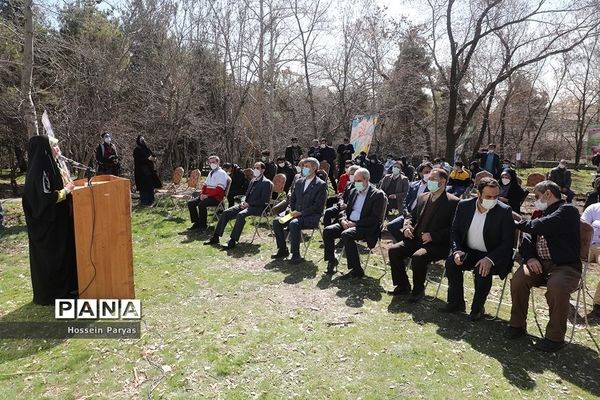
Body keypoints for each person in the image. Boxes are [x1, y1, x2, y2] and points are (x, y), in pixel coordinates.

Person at [506, 181, 581, 352]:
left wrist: (518, 222)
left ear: (548, 194)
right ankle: (517, 324)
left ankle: (555, 337)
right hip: (539, 263)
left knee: (557, 287)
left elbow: (543, 225)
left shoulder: (568, 210)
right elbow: (527, 238)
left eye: (538, 196)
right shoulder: (539, 213)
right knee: (519, 279)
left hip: (564, 266)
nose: (536, 201)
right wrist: (531, 257)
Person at [440, 178, 515, 320]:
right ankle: (456, 302)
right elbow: (455, 231)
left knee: (482, 271)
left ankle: (477, 309)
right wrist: (457, 250)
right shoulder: (464, 206)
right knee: (451, 263)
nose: (492, 200)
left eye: (495, 196)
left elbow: (507, 242)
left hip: (492, 254)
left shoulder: (504, 211)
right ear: (478, 194)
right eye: (488, 197)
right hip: (468, 251)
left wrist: (490, 259)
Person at [388, 168, 459, 302]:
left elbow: (454, 229)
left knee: (418, 257)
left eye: (433, 179)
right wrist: (407, 227)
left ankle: (418, 291)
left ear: (443, 181)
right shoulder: (422, 197)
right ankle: (402, 285)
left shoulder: (453, 202)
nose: (429, 181)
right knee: (393, 250)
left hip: (436, 245)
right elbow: (410, 216)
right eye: (429, 179)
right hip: (415, 239)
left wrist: (433, 235)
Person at [22, 135, 78, 305]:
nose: (57, 149)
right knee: (53, 259)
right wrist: (66, 191)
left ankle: (68, 287)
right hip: (46, 227)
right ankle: (56, 294)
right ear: (44, 149)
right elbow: (46, 199)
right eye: (54, 146)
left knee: (63, 255)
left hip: (56, 223)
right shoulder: (40, 171)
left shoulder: (49, 167)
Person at [323, 168, 386, 277]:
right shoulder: (353, 191)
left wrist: (356, 224)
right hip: (348, 222)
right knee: (328, 231)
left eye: (359, 181)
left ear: (367, 180)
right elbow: (345, 210)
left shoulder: (377, 195)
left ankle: (357, 270)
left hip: (364, 226)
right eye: (355, 181)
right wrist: (342, 220)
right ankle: (332, 260)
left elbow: (375, 219)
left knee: (347, 235)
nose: (356, 184)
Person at [204, 162, 273, 249]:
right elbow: (246, 194)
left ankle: (232, 241)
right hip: (246, 205)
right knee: (226, 212)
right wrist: (243, 201)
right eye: (254, 167)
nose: (255, 169)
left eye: (258, 168)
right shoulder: (252, 180)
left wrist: (249, 204)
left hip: (258, 207)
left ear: (263, 170)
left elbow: (264, 200)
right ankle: (215, 237)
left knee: (241, 215)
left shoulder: (266, 183)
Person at [272, 157, 327, 264]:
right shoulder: (299, 182)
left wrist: (301, 213)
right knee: (277, 221)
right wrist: (292, 211)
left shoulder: (320, 185)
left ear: (314, 168)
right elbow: (292, 200)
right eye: (303, 166)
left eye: (306, 166)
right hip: (295, 213)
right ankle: (282, 249)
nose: (303, 168)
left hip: (311, 216)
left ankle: (296, 255)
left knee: (294, 223)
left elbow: (318, 207)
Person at [386, 162, 433, 242]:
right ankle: (404, 242)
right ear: (420, 173)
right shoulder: (413, 185)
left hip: (421, 216)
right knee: (391, 226)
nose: (429, 174)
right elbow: (406, 201)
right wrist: (406, 212)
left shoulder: (432, 187)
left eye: (430, 172)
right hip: (408, 214)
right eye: (426, 172)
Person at [187, 156, 229, 231]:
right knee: (191, 203)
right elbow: (205, 185)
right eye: (210, 163)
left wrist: (207, 195)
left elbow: (219, 189)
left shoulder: (222, 173)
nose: (211, 164)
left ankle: (203, 225)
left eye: (213, 162)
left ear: (218, 162)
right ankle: (196, 223)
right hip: (206, 196)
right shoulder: (211, 172)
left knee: (201, 204)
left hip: (216, 198)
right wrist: (202, 194)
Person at [580, 202, 600, 318]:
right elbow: (582, 227)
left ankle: (598, 303)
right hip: (587, 245)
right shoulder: (594, 208)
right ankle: (574, 283)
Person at [133, 135, 161, 206]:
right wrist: (147, 159)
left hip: (150, 171)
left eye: (143, 139)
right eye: (141, 140)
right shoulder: (137, 150)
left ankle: (151, 201)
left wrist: (154, 159)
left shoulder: (147, 149)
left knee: (150, 186)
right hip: (141, 172)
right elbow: (138, 160)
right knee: (144, 188)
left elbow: (153, 156)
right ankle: (144, 202)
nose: (143, 141)